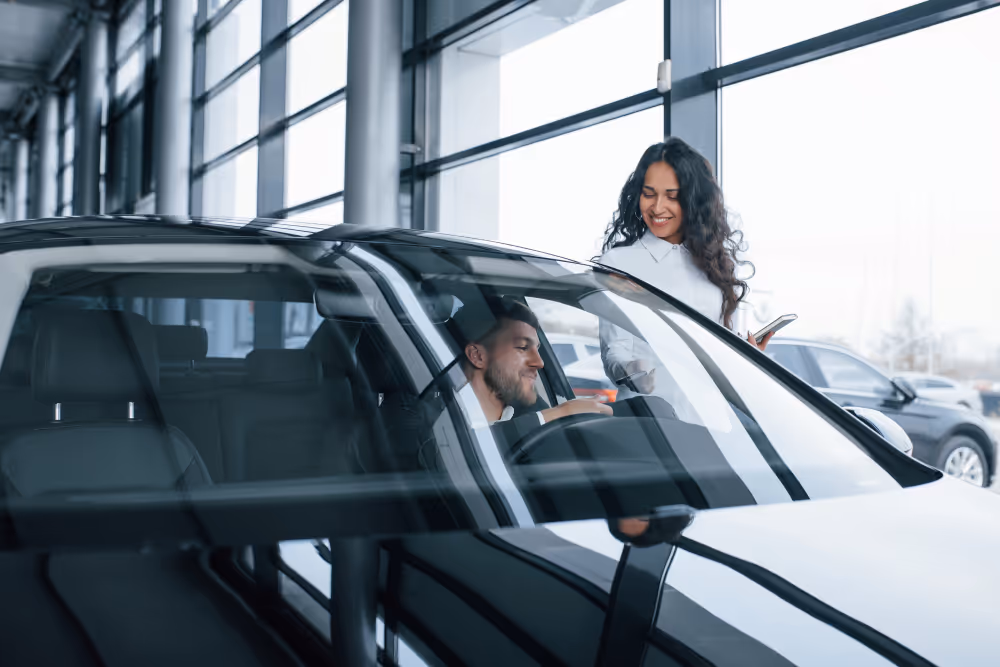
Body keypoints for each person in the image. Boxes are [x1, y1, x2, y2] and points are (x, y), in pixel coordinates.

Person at [597, 138, 771, 409]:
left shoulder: (715, 265)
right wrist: (638, 370)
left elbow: (718, 359)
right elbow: (614, 353)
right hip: (650, 419)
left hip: (714, 419)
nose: (657, 208)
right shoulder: (619, 262)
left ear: (693, 199)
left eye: (672, 196)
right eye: (649, 194)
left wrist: (743, 358)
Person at [453, 297, 611, 448]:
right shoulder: (444, 414)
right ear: (477, 356)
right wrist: (557, 414)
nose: (539, 362)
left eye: (537, 349)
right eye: (523, 347)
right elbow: (463, 445)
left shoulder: (529, 407)